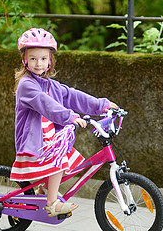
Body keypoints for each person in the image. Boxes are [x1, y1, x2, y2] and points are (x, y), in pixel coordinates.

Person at [10, 28, 118, 217]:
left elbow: (73, 96)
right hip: (33, 143)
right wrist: (71, 117)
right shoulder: (26, 85)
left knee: (64, 156)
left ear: (50, 61)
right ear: (25, 60)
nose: (38, 63)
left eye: (43, 58)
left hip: (48, 139)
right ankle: (51, 204)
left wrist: (102, 105)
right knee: (59, 159)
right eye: (33, 58)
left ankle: (44, 189)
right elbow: (47, 105)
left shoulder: (50, 84)